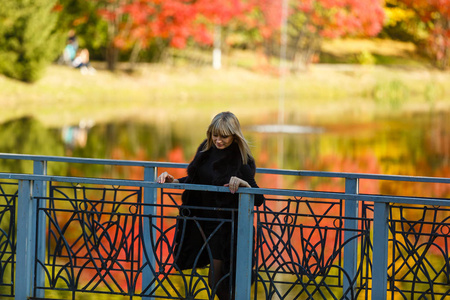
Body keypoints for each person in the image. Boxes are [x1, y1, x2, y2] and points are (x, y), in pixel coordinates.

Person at [157, 111, 264, 300]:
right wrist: (174, 181)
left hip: (226, 228)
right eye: (215, 135)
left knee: (219, 283)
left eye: (224, 136)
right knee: (215, 282)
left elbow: (259, 199)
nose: (218, 140)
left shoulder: (241, 159)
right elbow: (195, 179)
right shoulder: (205, 151)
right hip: (201, 224)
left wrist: (244, 185)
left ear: (234, 136)